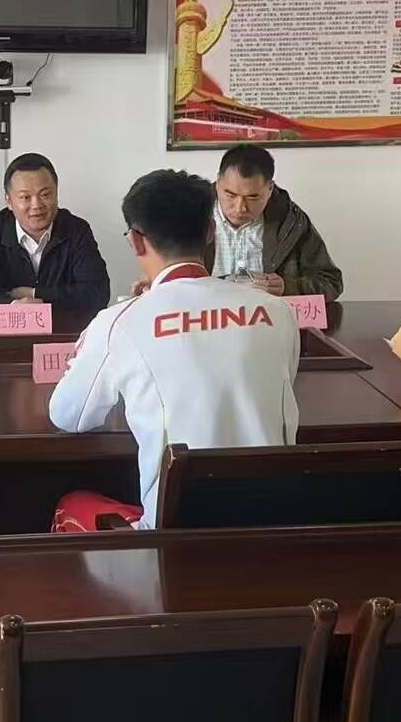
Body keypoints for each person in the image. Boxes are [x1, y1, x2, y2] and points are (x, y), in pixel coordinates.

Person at [49, 169, 299, 531]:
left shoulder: (120, 322)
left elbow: (68, 416)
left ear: (136, 241)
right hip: (278, 524)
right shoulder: (277, 311)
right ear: (210, 232)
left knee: (71, 505)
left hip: (175, 539)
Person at [0, 153, 109, 313]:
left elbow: (97, 293)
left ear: (56, 194)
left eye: (45, 195)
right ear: (9, 201)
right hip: (7, 328)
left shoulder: (76, 230)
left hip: (62, 328)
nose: (36, 205)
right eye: (25, 197)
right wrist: (15, 306)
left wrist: (35, 294)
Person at [204, 144, 344, 302]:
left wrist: (287, 287)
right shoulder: (192, 215)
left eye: (253, 197)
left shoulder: (290, 221)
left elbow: (331, 282)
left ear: (270, 189)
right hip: (205, 314)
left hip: (270, 314)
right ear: (218, 183)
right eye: (230, 195)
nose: (240, 208)